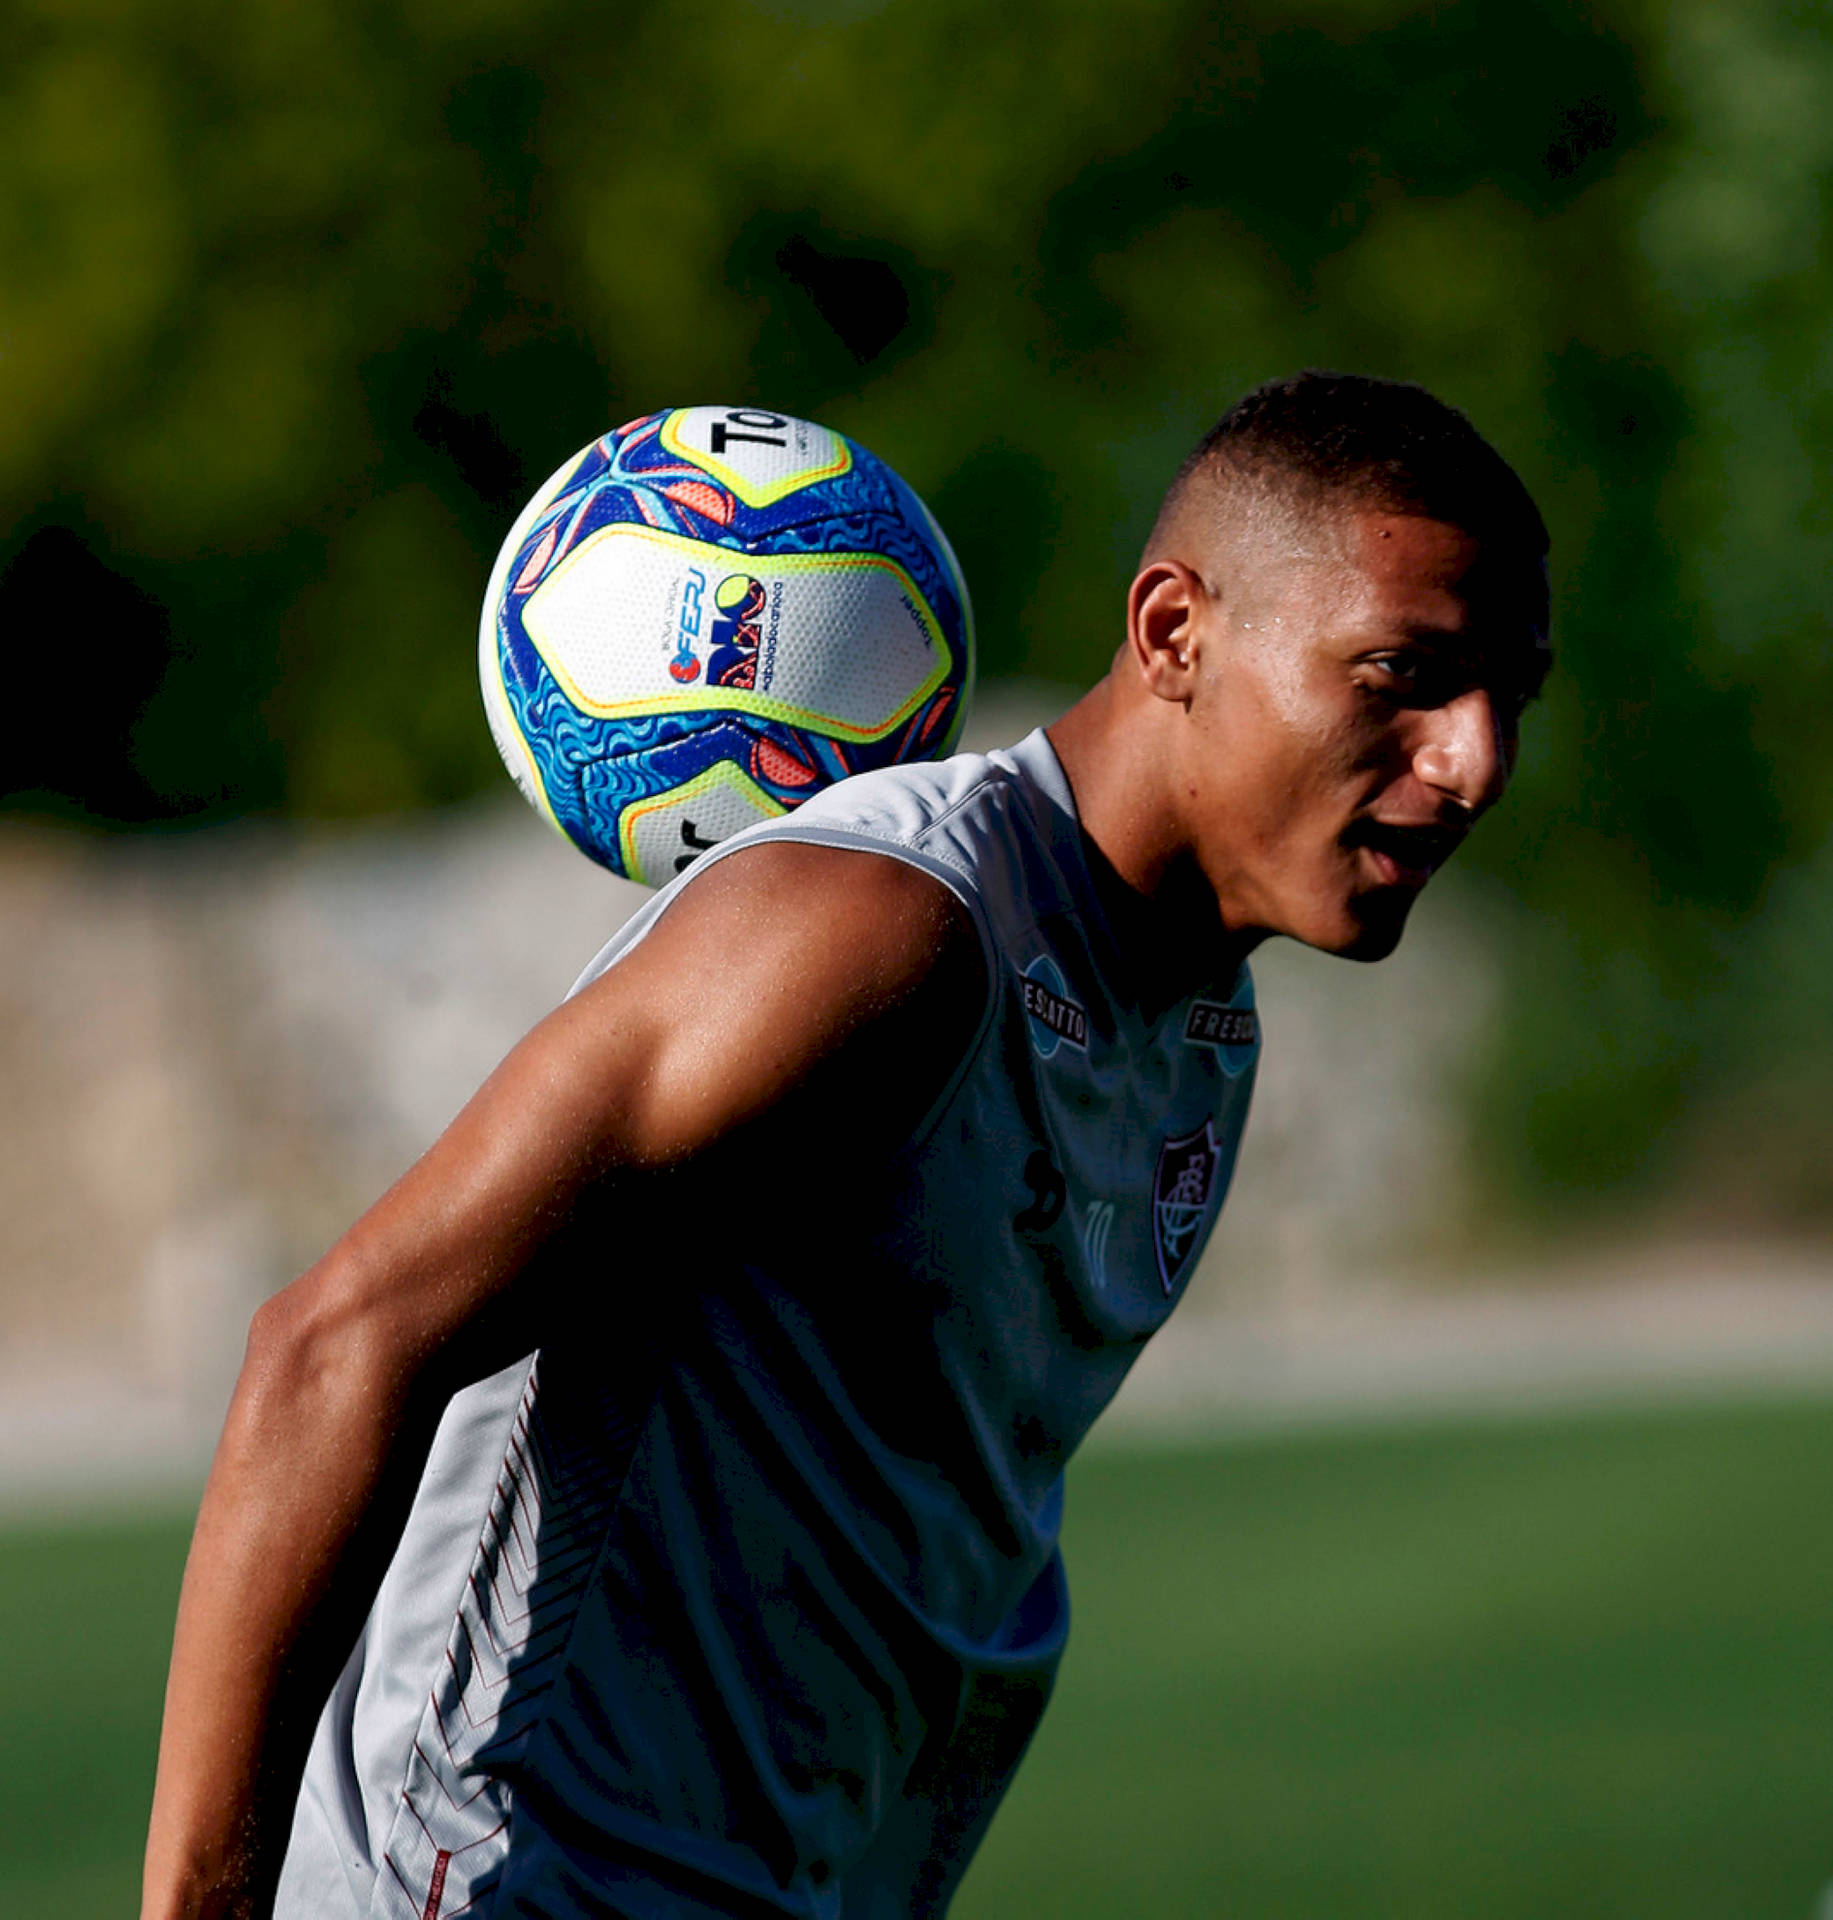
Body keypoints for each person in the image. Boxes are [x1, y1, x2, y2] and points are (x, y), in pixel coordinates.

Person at [142, 370, 1552, 1920]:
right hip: (493, 1887)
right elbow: (336, 1343)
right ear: (1172, 634)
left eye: (1504, 696)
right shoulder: (877, 929)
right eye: (1398, 675)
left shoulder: (1196, 1035)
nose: (1471, 760)